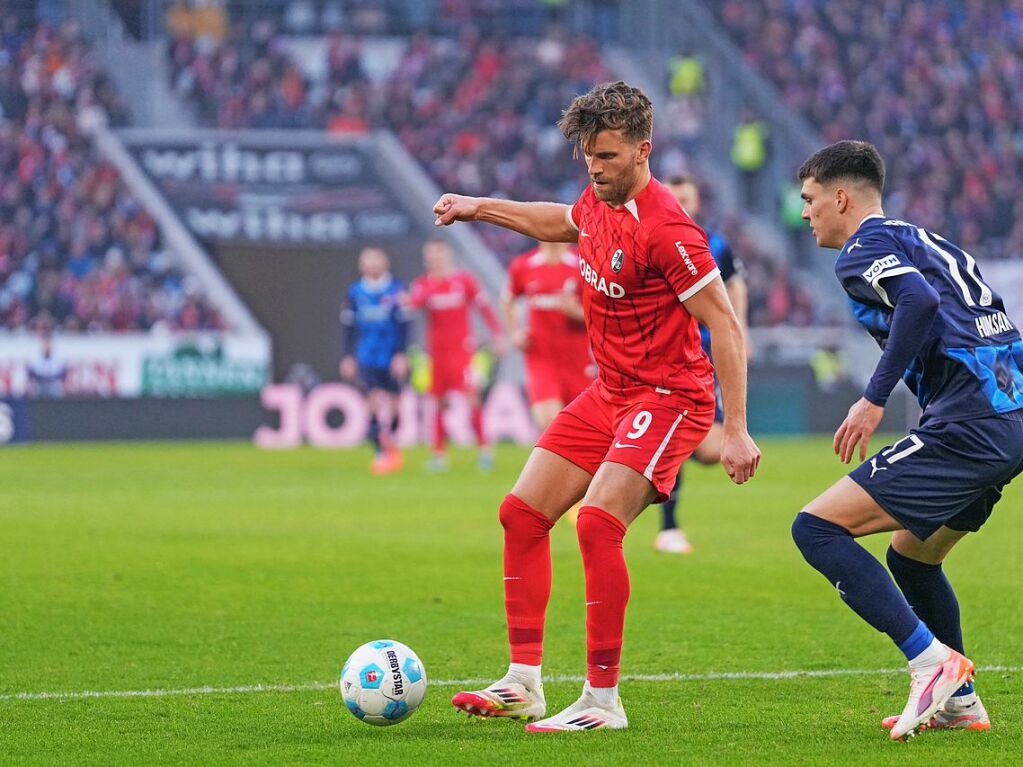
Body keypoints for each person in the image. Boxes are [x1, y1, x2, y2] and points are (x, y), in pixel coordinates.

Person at [434, 81, 760, 732]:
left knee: (594, 523)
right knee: (521, 513)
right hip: (609, 391)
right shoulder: (599, 198)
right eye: (587, 155)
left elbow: (724, 323)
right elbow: (563, 219)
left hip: (670, 396)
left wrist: (736, 428)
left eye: (606, 156)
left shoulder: (669, 230)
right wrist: (478, 208)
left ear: (643, 150)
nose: (595, 167)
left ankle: (601, 700)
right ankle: (523, 682)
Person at [792, 140, 1022, 741]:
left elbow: (916, 301)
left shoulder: (861, 249)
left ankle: (933, 661)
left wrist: (873, 398)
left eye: (810, 199)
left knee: (815, 527)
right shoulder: (925, 239)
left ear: (841, 197)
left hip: (969, 422)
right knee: (912, 556)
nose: (806, 213)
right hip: (1010, 417)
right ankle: (961, 701)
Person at [655, 174, 750, 554]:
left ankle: (670, 442)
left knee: (712, 452)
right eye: (674, 197)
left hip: (710, 354)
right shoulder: (655, 237)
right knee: (675, 438)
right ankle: (669, 528)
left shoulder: (715, 244)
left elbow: (735, 283)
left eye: (686, 198)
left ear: (696, 201)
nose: (680, 204)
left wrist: (740, 330)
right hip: (669, 354)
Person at [407, 238, 505, 471]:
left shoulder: (464, 281)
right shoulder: (423, 285)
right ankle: (439, 454)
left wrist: (497, 335)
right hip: (437, 353)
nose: (433, 259)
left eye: (437, 254)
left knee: (471, 398)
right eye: (429, 255)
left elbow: (484, 308)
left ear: (447, 256)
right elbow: (413, 303)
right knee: (438, 403)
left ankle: (484, 450)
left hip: (462, 351)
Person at [502, 241, 592, 432]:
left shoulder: (584, 263)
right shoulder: (523, 265)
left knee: (579, 430)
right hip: (541, 358)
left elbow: (605, 314)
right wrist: (515, 332)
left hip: (578, 360)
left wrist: (578, 312)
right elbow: (507, 299)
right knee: (549, 425)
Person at [340, 246, 409, 475]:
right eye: (367, 260)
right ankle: (381, 451)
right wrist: (347, 356)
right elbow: (348, 327)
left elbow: (404, 325)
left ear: (385, 263)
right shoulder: (355, 292)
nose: (371, 264)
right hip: (367, 355)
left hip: (390, 355)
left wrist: (401, 353)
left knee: (395, 405)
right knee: (372, 401)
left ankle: (391, 442)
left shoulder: (397, 289)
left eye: (375, 259)